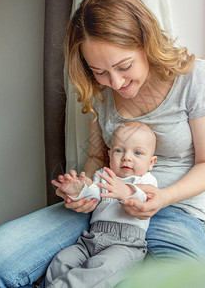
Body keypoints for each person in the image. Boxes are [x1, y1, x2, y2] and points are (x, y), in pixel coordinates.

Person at [0, 0, 205, 287]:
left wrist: (163, 197)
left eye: (124, 66)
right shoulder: (102, 90)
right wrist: (83, 191)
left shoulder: (193, 77)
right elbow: (96, 157)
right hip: (104, 210)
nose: (115, 83)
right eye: (100, 72)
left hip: (172, 207)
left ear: (147, 41)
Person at [44, 121, 157, 288]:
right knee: (62, 261)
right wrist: (77, 189)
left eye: (138, 153)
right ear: (109, 155)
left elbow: (142, 198)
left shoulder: (147, 180)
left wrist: (124, 191)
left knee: (98, 270)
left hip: (126, 245)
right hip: (91, 238)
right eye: (119, 150)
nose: (126, 157)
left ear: (151, 163)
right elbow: (93, 194)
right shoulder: (103, 174)